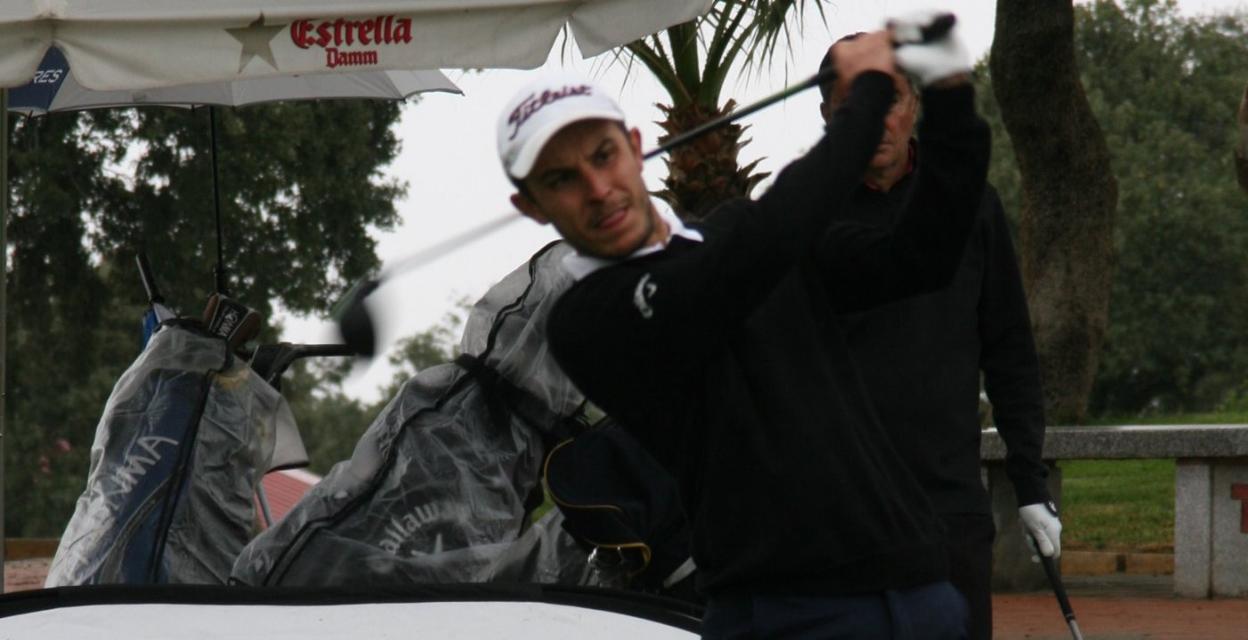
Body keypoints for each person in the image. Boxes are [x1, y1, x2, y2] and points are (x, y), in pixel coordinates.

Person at [498, 19, 982, 639]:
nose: (597, 189)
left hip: (918, 592)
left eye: (603, 156)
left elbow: (923, 255)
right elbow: (742, 262)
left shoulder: (737, 236)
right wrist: (862, 105)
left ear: (635, 145)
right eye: (561, 179)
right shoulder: (590, 317)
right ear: (531, 206)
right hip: (783, 614)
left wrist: (948, 91)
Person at [817, 33, 1062, 640]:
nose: (876, 120)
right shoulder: (799, 216)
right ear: (826, 115)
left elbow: (1008, 346)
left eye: (889, 99)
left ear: (916, 105)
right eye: (853, 103)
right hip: (833, 508)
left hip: (946, 503)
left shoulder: (972, 205)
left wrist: (1030, 483)